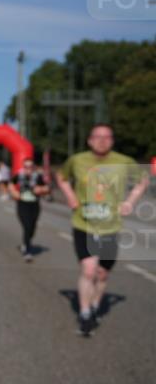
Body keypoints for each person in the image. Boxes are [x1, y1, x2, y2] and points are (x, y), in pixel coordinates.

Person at [56, 124, 148, 337]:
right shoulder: (77, 160)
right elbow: (61, 176)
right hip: (84, 224)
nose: (102, 140)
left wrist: (130, 202)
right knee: (88, 270)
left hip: (109, 227)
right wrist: (70, 196)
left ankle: (96, 305)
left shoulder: (123, 161)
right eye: (97, 137)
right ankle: (85, 313)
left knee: (102, 273)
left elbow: (142, 180)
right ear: (89, 140)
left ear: (112, 141)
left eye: (107, 137)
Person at [9, 157, 49, 262]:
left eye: (30, 167)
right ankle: (28, 251)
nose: (28, 169)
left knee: (32, 228)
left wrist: (41, 189)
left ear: (33, 167)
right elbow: (11, 184)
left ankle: (26, 242)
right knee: (26, 226)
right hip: (22, 204)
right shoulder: (19, 175)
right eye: (26, 166)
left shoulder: (38, 176)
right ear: (23, 167)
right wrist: (14, 192)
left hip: (34, 205)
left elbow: (47, 188)